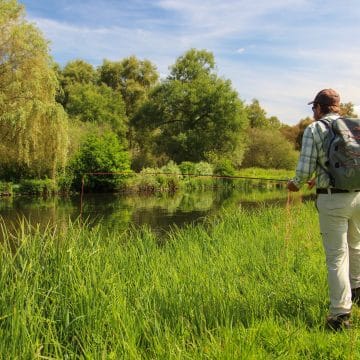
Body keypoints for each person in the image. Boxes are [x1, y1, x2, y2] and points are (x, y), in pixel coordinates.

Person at [287, 88, 360, 331]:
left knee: (337, 257)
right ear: (337, 107)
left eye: (313, 108)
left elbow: (305, 165)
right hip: (358, 196)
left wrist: (295, 183)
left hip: (333, 201)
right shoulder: (353, 126)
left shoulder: (314, 128)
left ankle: (340, 315)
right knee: (356, 247)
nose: (312, 112)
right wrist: (317, 177)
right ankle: (357, 293)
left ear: (319, 107)